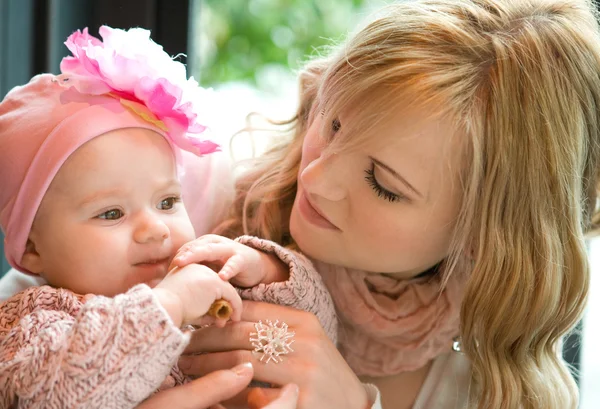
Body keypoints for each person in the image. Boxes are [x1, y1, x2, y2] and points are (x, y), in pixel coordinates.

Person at [164, 0, 600, 408]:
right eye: (333, 123)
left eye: (383, 184)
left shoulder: (489, 385)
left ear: (481, 237)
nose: (314, 179)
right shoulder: (189, 208)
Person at [0, 26, 328, 409]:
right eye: (111, 213)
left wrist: (266, 271)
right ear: (33, 248)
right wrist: (167, 305)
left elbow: (322, 331)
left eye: (168, 202)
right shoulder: (32, 319)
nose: (155, 229)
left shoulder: (200, 281)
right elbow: (48, 395)